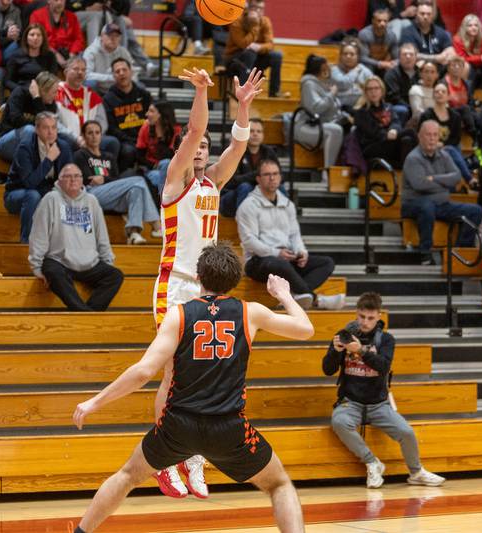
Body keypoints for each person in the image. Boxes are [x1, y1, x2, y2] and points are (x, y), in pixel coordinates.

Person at [71, 243, 314, 533]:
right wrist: (284, 294)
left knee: (127, 476)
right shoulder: (251, 313)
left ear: (198, 277)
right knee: (278, 484)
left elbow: (144, 371)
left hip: (179, 425)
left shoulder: (179, 315)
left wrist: (95, 402)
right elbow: (305, 329)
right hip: (228, 426)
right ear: (235, 279)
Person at [149, 67, 264, 500]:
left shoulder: (214, 181)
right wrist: (201, 91)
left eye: (204, 149)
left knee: (207, 377)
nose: (200, 150)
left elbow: (238, 144)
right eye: (194, 146)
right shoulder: (175, 182)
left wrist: (244, 105)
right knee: (175, 374)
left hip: (207, 290)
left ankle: (193, 456)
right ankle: (165, 459)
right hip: (174, 286)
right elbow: (197, 127)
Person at [323, 291, 445, 489]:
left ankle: (416, 472)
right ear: (356, 314)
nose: (365, 322)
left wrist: (360, 351)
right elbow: (327, 370)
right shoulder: (344, 336)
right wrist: (336, 352)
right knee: (338, 421)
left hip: (379, 404)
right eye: (362, 317)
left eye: (371, 318)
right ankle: (372, 462)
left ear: (379, 316)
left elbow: (383, 367)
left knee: (406, 432)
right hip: (350, 402)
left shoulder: (386, 340)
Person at [237, 159, 345, 310]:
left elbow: (295, 235)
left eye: (275, 174)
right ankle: (317, 300)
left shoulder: (288, 204)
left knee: (326, 263)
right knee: (278, 262)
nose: (272, 178)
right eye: (267, 174)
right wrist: (276, 253)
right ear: (258, 179)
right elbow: (249, 241)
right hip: (258, 261)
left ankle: (297, 296)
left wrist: (302, 252)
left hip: (287, 258)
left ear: (280, 177)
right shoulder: (248, 206)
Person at [27, 162, 123, 311]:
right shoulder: (51, 199)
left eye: (77, 176)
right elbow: (39, 235)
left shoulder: (91, 201)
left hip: (89, 263)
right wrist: (36, 267)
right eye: (68, 176)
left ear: (82, 179)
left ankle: (88, 312)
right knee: (52, 270)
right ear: (59, 180)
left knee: (115, 275)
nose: (73, 180)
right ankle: (83, 312)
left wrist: (107, 261)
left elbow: (101, 235)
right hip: (60, 261)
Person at [401, 120, 482, 265]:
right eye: (428, 135)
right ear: (420, 137)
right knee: (427, 206)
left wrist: (434, 179)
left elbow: (457, 177)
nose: (432, 138)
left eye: (435, 135)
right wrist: (444, 183)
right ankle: (425, 253)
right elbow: (419, 184)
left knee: (475, 211)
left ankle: (460, 250)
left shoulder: (444, 155)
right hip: (413, 204)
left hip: (441, 204)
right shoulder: (413, 158)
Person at [73, 120, 161, 244]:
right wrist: (107, 180)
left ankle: (134, 233)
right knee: (139, 180)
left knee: (136, 190)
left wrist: (104, 179)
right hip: (90, 194)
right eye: (90, 133)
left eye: (97, 132)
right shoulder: (80, 155)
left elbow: (116, 179)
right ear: (83, 136)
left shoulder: (109, 156)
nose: (94, 136)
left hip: (110, 195)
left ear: (101, 135)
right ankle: (156, 225)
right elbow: (89, 179)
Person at [4, 111, 73, 243]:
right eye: (46, 128)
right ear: (36, 129)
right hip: (17, 194)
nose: (50, 132)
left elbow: (68, 179)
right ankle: (26, 242)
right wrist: (48, 160)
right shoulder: (25, 148)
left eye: (54, 128)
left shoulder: (63, 147)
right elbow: (30, 183)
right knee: (33, 195)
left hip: (48, 193)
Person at [56, 56, 120, 162]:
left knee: (112, 142)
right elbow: (54, 122)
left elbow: (102, 122)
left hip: (91, 138)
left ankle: (106, 177)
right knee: (66, 143)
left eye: (83, 70)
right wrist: (76, 138)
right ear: (65, 72)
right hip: (68, 138)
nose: (80, 73)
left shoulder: (91, 95)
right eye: (76, 69)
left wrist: (92, 137)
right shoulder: (56, 92)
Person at [296, 55, 348, 185]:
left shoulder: (322, 84)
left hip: (319, 126)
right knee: (335, 131)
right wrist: (332, 94)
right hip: (305, 128)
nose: (330, 67)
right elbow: (315, 109)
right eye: (327, 65)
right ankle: (327, 173)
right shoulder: (308, 84)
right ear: (322, 68)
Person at [223, 0, 287, 98]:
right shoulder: (237, 21)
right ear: (248, 8)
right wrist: (255, 26)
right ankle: (243, 92)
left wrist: (259, 47)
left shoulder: (265, 21)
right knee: (250, 53)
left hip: (255, 57)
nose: (257, 11)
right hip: (235, 59)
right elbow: (243, 44)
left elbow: (270, 44)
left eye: (260, 8)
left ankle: (274, 92)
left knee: (277, 55)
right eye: (254, 7)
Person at [0, 71, 60, 162]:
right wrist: (36, 97)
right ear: (43, 90)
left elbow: (48, 127)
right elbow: (16, 120)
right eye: (54, 92)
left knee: (62, 141)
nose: (56, 95)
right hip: (4, 142)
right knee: (29, 130)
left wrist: (37, 99)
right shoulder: (20, 93)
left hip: (31, 148)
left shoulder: (51, 104)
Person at [355, 76, 417, 169]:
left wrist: (394, 130)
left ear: (382, 90)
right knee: (410, 132)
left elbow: (396, 122)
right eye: (369, 89)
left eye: (376, 88)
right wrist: (387, 135)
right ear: (365, 92)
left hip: (389, 143)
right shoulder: (361, 111)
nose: (373, 92)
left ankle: (405, 172)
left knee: (407, 140)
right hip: (373, 147)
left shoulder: (388, 107)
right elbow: (373, 132)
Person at [221, 118, 279, 217]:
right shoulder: (234, 151)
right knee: (245, 187)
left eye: (259, 131)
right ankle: (246, 222)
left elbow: (279, 175)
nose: (255, 134)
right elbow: (231, 181)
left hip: (259, 192)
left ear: (263, 135)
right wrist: (259, 174)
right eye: (251, 131)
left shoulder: (268, 152)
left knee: (279, 188)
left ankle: (280, 222)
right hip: (230, 197)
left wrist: (262, 178)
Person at [103, 58, 151, 173]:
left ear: (131, 71)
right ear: (113, 76)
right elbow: (111, 128)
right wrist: (131, 140)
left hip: (144, 137)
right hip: (124, 141)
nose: (121, 73)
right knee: (128, 151)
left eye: (124, 69)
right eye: (117, 71)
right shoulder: (108, 99)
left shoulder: (144, 95)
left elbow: (151, 119)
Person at [420, 82, 472, 183]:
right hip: (430, 148)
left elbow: (456, 139)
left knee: (451, 149)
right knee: (451, 150)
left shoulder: (455, 116)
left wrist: (443, 144)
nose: (440, 93)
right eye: (437, 92)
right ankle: (469, 179)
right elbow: (421, 136)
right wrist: (434, 144)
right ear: (433, 96)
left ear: (448, 96)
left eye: (443, 92)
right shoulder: (426, 115)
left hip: (449, 148)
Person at [137, 100, 180, 193]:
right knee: (157, 177)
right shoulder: (145, 128)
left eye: (151, 111)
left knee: (165, 164)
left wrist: (160, 135)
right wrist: (153, 165)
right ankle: (164, 202)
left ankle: (164, 202)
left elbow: (171, 156)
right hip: (151, 169)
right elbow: (139, 155)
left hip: (172, 171)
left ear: (161, 115)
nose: (146, 114)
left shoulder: (176, 131)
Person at [29, 0, 85, 68]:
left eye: (62, 0)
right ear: (49, 1)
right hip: (48, 52)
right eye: (56, 0)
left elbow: (78, 39)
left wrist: (72, 54)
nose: (59, 3)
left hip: (69, 52)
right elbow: (37, 40)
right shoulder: (36, 15)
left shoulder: (72, 16)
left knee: (81, 61)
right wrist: (55, 55)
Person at [5, 23, 60, 92]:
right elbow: (8, 81)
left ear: (43, 38)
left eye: (39, 35)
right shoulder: (16, 55)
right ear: (26, 38)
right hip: (22, 93)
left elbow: (53, 78)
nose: (35, 38)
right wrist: (21, 90)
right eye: (32, 35)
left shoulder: (50, 56)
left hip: (43, 93)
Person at [82, 23, 134, 95]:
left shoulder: (123, 52)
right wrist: (111, 77)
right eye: (109, 35)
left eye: (116, 36)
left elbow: (131, 71)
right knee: (90, 83)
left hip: (117, 87)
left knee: (139, 85)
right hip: (98, 87)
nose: (113, 38)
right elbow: (86, 75)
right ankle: (91, 105)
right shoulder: (91, 51)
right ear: (102, 36)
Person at [399, 0, 453, 66]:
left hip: (438, 69)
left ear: (432, 15)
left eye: (428, 14)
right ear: (416, 14)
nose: (425, 17)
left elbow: (450, 50)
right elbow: (411, 55)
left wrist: (447, 54)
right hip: (417, 69)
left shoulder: (440, 32)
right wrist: (436, 58)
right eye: (422, 14)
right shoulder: (408, 32)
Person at [453, 13, 482, 91]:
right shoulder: (457, 39)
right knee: (470, 69)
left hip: (479, 65)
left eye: (476, 25)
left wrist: (481, 59)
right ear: (465, 28)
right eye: (470, 25)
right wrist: (480, 58)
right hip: (464, 65)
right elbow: (462, 59)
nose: (473, 28)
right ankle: (469, 97)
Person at [331, 40, 374, 111]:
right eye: (345, 54)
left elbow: (374, 90)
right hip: (338, 111)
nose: (348, 56)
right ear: (341, 56)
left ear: (358, 56)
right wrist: (355, 71)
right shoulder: (334, 70)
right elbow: (342, 84)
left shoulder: (365, 71)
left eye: (352, 54)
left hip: (361, 110)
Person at [383, 42, 419, 124]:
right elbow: (395, 98)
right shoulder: (391, 74)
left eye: (411, 54)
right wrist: (412, 109)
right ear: (399, 57)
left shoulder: (421, 73)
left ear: (416, 57)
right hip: (399, 107)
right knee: (402, 110)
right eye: (404, 54)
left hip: (418, 107)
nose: (408, 57)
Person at [358, 8, 399, 77]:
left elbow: (397, 57)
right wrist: (379, 63)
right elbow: (362, 58)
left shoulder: (392, 35)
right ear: (373, 21)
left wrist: (394, 63)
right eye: (379, 21)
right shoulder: (364, 34)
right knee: (367, 68)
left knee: (395, 68)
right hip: (369, 64)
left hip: (385, 64)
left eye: (385, 21)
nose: (382, 24)